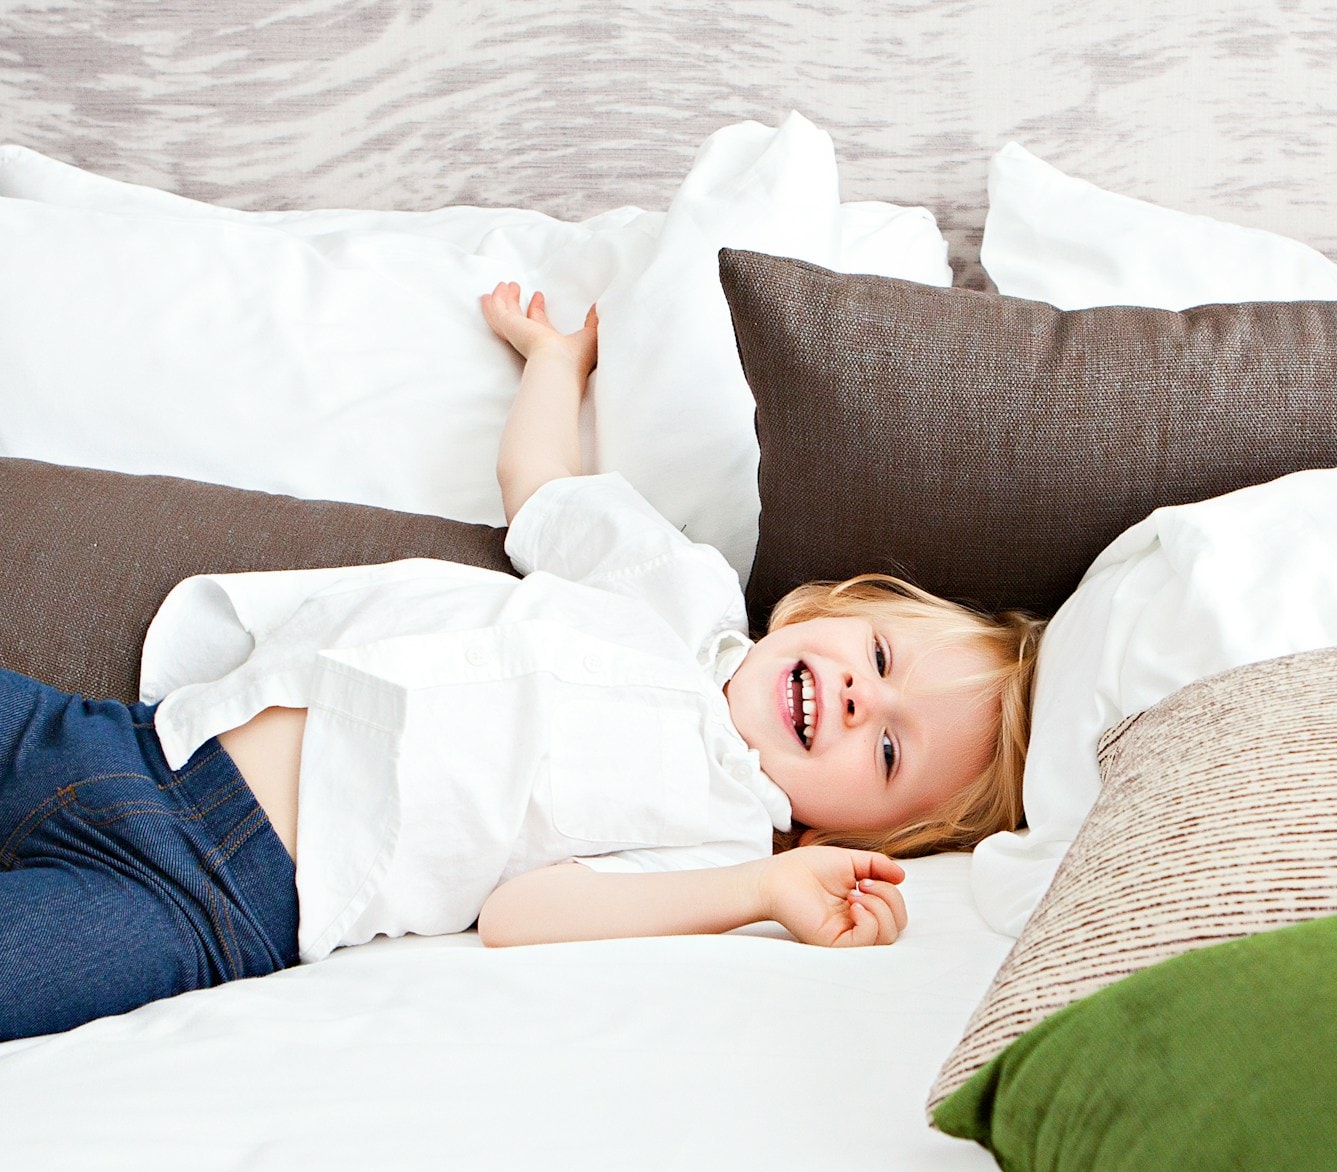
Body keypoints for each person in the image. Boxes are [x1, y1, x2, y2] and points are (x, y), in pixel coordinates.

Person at [0, 282, 1044, 1042]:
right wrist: (554, 364)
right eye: (880, 655)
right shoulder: (679, 590)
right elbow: (543, 490)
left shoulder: (722, 832)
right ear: (835, 608)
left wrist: (765, 886)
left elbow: (521, 914)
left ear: (859, 835)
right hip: (138, 741)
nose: (862, 697)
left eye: (890, 748)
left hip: (214, 898)